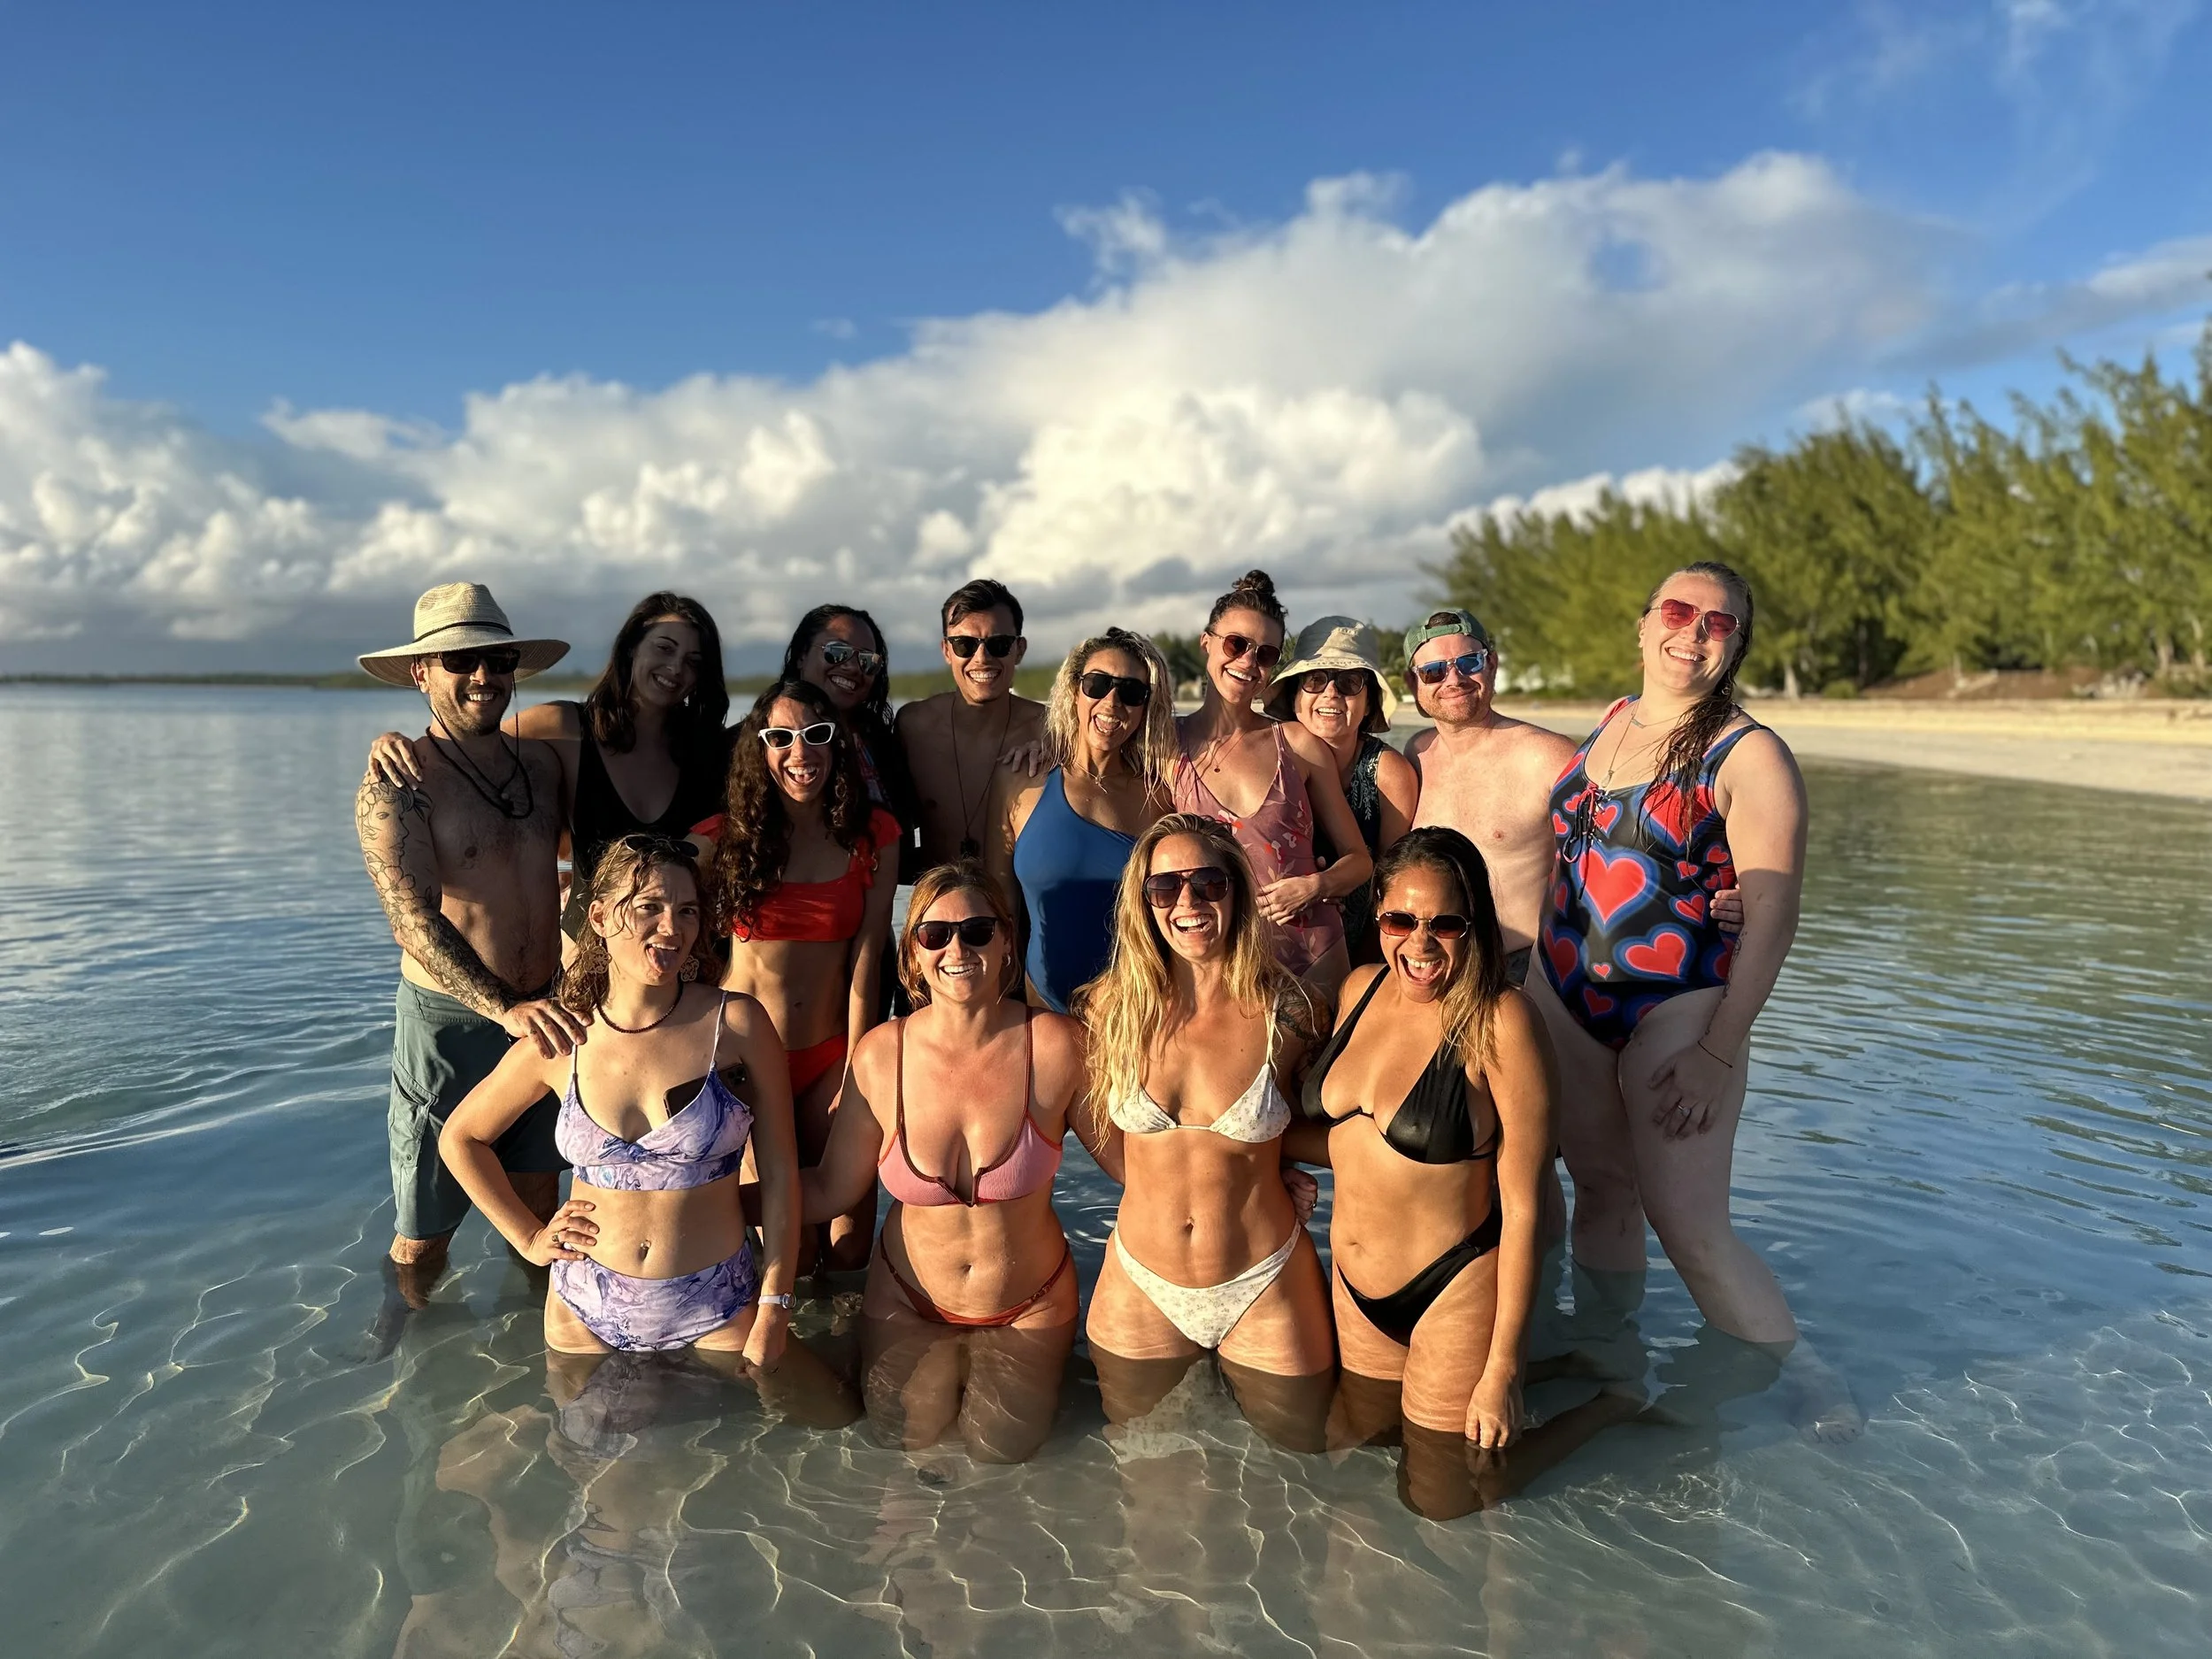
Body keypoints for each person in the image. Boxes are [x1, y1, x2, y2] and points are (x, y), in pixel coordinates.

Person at [1528, 560, 1861, 1440]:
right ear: (1642, 626)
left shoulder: (1749, 755)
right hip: (1566, 994)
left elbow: (1775, 913)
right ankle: (1607, 1348)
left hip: (1679, 1004)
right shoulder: (1606, 725)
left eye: (1721, 623)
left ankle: (1805, 1376)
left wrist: (1717, 1052)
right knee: (1600, 1187)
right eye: (1678, 612)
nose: (1695, 632)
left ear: (1738, 645)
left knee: (1690, 1223)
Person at [1286, 827, 1640, 1517]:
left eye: (1445, 923)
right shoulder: (1360, 988)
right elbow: (1356, 1141)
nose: (1419, 944)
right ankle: (1562, 1364)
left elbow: (1527, 1204)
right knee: (1358, 1444)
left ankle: (1607, 1407)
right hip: (1355, 1287)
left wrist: (1502, 1368)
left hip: (1452, 1286)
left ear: (1473, 922)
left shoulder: (1501, 1021)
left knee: (1449, 1493)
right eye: (1399, 919)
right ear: (1378, 915)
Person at [436, 836, 806, 1369]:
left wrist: (775, 1307)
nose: (671, 929)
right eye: (649, 908)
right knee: (589, 1454)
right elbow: (462, 1138)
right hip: (582, 1310)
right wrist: (530, 1238)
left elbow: (779, 1173)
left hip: (719, 1303)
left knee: (752, 1446)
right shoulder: (562, 1037)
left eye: (686, 912)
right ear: (602, 916)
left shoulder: (737, 1023)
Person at [800, 863, 1094, 1461]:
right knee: (906, 1442)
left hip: (1028, 1304)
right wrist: (704, 1202)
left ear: (1008, 939)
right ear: (911, 955)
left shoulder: (1058, 1045)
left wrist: (1265, 1174)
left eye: (977, 930)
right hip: (908, 1296)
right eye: (934, 934)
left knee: (999, 1454)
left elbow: (1134, 1166)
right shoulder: (882, 1054)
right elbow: (830, 1189)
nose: (956, 947)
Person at [1077, 813, 1335, 1449]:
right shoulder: (1109, 1007)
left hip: (1266, 1281)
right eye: (1165, 888)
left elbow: (1325, 1124)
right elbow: (1060, 1103)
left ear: (1238, 891)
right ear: (1143, 903)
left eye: (1207, 882)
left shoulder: (1293, 1011)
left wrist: (1267, 1160)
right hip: (1141, 1284)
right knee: (1148, 1492)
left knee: (1296, 1482)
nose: (1187, 902)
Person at [354, 583, 581, 1304]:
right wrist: (501, 1008)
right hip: (449, 1024)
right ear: (422, 672)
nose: (483, 676)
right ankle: (404, 1347)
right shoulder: (398, 782)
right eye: (461, 661)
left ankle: (535, 1351)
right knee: (426, 1227)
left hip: (544, 1012)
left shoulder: (542, 766)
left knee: (542, 1206)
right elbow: (411, 918)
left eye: (498, 659)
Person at [366, 593, 733, 943]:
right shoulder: (563, 728)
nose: (675, 668)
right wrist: (392, 742)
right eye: (664, 648)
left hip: (686, 955)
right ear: (631, 649)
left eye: (694, 661)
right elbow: (464, 741)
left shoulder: (713, 752)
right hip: (589, 962)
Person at [695, 680, 900, 1271]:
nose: (800, 751)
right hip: (748, 1061)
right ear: (760, 748)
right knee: (795, 1248)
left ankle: (853, 1358)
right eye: (780, 737)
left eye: (815, 735)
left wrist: (860, 1068)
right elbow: (659, 876)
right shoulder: (724, 838)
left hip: (834, 1052)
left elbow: (868, 955)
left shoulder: (873, 836)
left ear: (835, 744)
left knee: (849, 1245)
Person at [1171, 570, 1372, 1001]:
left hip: (1314, 951)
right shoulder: (1165, 746)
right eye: (1236, 644)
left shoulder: (1298, 743)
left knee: (1321, 1069)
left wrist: (1317, 886)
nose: (1247, 661)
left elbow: (1360, 861)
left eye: (1265, 654)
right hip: (1219, 959)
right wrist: (1033, 750)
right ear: (1206, 643)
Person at [984, 626, 1177, 1013]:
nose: (1111, 702)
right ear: (1075, 691)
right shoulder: (1022, 780)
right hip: (1040, 1008)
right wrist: (999, 1004)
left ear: (1146, 707)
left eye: (1131, 692)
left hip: (1135, 1010)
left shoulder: (1160, 794)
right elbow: (998, 905)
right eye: (1098, 684)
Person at [1401, 609, 1577, 985]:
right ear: (1412, 683)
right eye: (1433, 671)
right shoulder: (1415, 755)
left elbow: (1607, 864)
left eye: (1469, 662)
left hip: (1520, 969)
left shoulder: (1548, 756)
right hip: (1430, 968)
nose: (1454, 679)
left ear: (1492, 664)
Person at [1265, 617, 1418, 966]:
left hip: (1358, 949)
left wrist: (1364, 971)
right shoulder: (1266, 758)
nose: (1330, 693)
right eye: (1315, 680)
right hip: (1269, 947)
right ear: (1294, 695)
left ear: (1369, 702)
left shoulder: (1388, 773)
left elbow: (1390, 882)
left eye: (1349, 682)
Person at [897, 580, 1049, 868]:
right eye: (965, 645)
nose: (982, 658)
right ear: (946, 651)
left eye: (999, 644)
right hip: (940, 906)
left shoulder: (1049, 732)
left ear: (1019, 650)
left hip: (1021, 910)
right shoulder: (914, 728)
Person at [780, 603, 917, 862]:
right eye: (837, 652)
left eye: (867, 661)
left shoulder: (883, 747)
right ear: (801, 656)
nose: (853, 668)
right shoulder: (761, 741)